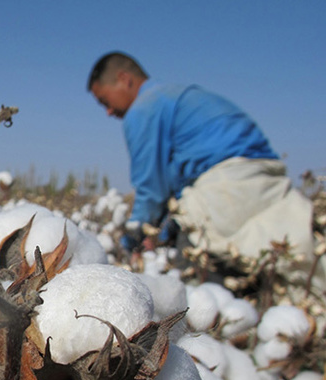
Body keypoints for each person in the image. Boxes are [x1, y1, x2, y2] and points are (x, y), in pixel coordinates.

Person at [87, 51, 324, 296]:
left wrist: (131, 239)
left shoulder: (144, 108)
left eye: (105, 102)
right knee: (291, 260)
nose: (108, 112)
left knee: (194, 270)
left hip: (227, 183)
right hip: (264, 177)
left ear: (125, 79)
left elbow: (151, 188)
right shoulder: (181, 96)